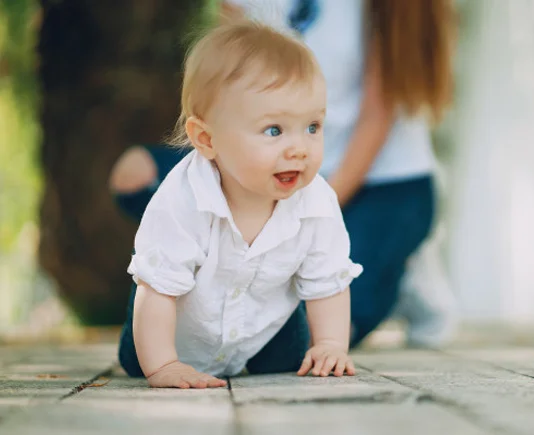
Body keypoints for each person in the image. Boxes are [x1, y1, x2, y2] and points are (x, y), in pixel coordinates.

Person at [111, 0, 456, 348]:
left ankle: (393, 266)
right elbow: (224, 91)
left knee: (307, 337)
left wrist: (304, 215)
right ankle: (229, 269)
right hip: (266, 162)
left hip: (380, 182)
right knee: (136, 175)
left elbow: (377, 115)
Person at [118, 20, 363, 388]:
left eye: (313, 126)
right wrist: (163, 365)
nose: (299, 147)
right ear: (206, 139)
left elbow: (328, 280)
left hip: (267, 331)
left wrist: (330, 344)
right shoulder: (183, 200)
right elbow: (159, 289)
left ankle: (292, 346)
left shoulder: (316, 201)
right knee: (138, 358)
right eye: (274, 130)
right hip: (177, 336)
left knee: (291, 358)